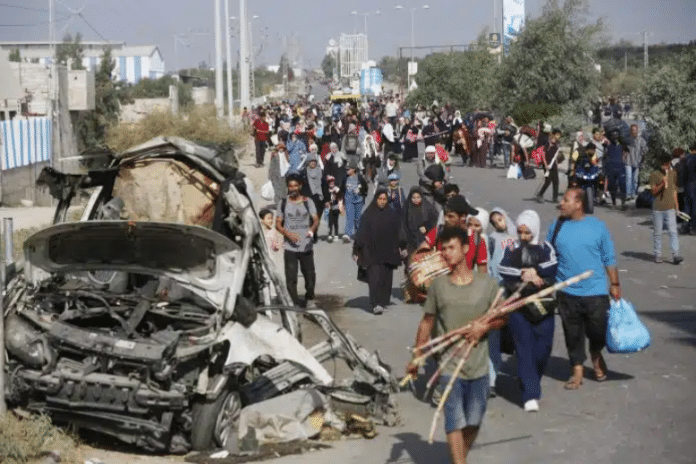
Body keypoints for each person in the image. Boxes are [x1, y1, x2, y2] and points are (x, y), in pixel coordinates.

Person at [407, 227, 506, 464]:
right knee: (454, 419)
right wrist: (417, 356)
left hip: (479, 366)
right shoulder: (438, 286)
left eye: (451, 248)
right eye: (443, 249)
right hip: (449, 365)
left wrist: (485, 327)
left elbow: (503, 317)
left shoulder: (487, 284)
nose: (446, 253)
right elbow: (427, 322)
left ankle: (457, 458)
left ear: (465, 249)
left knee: (473, 422)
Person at [548, 188, 622, 390]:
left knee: (598, 331)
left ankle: (596, 354)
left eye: (566, 200)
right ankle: (577, 370)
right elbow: (548, 256)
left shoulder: (598, 227)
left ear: (578, 203)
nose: (561, 203)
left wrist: (614, 284)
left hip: (595, 291)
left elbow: (609, 257)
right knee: (572, 334)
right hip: (567, 292)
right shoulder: (556, 226)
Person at [499, 210, 558, 411]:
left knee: (543, 348)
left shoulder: (545, 248)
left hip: (543, 306)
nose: (523, 237)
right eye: (520, 232)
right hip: (519, 307)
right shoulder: (512, 248)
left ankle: (530, 379)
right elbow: (503, 269)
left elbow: (552, 266)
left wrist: (537, 272)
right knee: (524, 349)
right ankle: (530, 395)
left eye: (527, 233)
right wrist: (523, 273)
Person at [353, 189, 404, 315]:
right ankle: (376, 304)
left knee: (386, 278)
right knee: (374, 277)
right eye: (380, 199)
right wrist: (356, 250)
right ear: (376, 199)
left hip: (388, 252)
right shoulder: (368, 214)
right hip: (372, 252)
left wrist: (402, 246)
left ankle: (383, 301)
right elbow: (361, 233)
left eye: (384, 199)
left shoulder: (392, 214)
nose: (382, 202)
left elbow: (399, 232)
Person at [276, 174, 319, 309]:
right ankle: (293, 303)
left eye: (295, 185)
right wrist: (287, 234)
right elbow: (278, 224)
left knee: (309, 275)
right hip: (290, 247)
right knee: (291, 277)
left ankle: (310, 298)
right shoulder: (283, 203)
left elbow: (316, 219)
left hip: (306, 246)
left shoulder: (308, 201)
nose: (293, 188)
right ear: (288, 187)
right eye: (290, 186)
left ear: (300, 186)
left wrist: (311, 231)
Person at [419, 196, 487, 274]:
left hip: (465, 284)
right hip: (441, 283)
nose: (446, 219)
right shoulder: (438, 231)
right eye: (445, 215)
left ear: (463, 217)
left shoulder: (477, 240)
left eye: (450, 216)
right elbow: (419, 254)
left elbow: (483, 274)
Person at [649, 155, 683, 264]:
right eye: (664, 164)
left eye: (667, 164)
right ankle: (658, 254)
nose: (666, 166)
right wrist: (662, 183)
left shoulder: (673, 174)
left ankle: (675, 254)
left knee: (673, 232)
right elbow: (653, 191)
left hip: (670, 208)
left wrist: (677, 206)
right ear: (660, 164)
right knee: (658, 233)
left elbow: (674, 191)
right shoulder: (654, 175)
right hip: (658, 208)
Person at [402, 186, 439, 256]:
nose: (416, 200)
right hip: (410, 242)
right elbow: (402, 226)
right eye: (413, 197)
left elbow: (436, 219)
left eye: (418, 197)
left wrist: (427, 227)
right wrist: (403, 245)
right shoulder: (406, 208)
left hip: (424, 240)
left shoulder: (427, 207)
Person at [301, 153, 327, 243]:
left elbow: (325, 187)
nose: (312, 163)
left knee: (317, 219)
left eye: (314, 161)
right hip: (309, 198)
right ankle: (310, 233)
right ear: (308, 162)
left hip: (319, 199)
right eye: (311, 161)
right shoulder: (304, 174)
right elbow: (302, 188)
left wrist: (327, 200)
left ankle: (314, 233)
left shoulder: (321, 173)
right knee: (310, 218)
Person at [341, 160, 368, 242]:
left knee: (357, 218)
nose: (347, 171)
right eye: (346, 169)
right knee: (349, 217)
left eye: (348, 169)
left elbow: (365, 188)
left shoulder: (359, 178)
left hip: (358, 201)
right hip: (348, 200)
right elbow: (342, 189)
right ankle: (347, 235)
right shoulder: (345, 178)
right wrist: (341, 201)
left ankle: (358, 233)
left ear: (354, 169)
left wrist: (360, 191)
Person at [535, 129, 562, 204]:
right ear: (553, 134)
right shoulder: (548, 143)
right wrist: (546, 164)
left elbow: (556, 154)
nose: (558, 136)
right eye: (557, 135)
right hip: (547, 164)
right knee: (548, 181)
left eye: (559, 135)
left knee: (556, 181)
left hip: (554, 165)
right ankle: (540, 195)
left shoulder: (557, 144)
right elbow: (543, 154)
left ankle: (555, 198)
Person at [604, 130, 627, 210]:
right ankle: (614, 203)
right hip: (611, 168)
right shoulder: (608, 147)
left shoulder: (622, 146)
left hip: (621, 168)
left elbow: (627, 154)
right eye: (613, 135)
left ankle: (623, 204)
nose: (615, 137)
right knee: (612, 186)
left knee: (622, 186)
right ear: (610, 137)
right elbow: (605, 157)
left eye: (616, 135)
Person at [626, 124, 648, 200]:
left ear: (637, 130)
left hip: (637, 162)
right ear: (631, 131)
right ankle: (628, 194)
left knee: (635, 179)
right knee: (628, 178)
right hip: (628, 161)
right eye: (632, 130)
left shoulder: (641, 140)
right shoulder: (628, 139)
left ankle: (633, 193)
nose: (634, 131)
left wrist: (641, 157)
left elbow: (645, 150)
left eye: (635, 130)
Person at [259, 208, 284, 274]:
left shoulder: (273, 231)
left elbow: (275, 248)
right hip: (259, 257)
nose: (271, 220)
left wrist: (277, 246)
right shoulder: (259, 232)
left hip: (270, 258)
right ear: (262, 220)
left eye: (272, 218)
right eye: (268, 218)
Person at [682, 143, 696, 234]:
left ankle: (685, 226)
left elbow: (683, 173)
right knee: (695, 206)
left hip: (687, 184)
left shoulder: (686, 158)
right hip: (694, 183)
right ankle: (693, 227)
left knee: (687, 206)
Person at [325, 175, 342, 243]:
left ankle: (336, 235)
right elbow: (326, 198)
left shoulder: (337, 189)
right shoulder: (327, 190)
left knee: (336, 222)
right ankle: (330, 234)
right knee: (330, 222)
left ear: (334, 182)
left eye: (332, 182)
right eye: (329, 182)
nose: (331, 184)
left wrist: (340, 207)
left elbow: (340, 198)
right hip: (330, 208)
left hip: (336, 207)